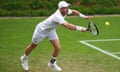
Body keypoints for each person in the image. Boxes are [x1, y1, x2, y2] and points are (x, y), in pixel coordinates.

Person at [20, 1, 93, 72]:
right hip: (41, 30)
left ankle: (52, 63)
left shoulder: (65, 11)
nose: (67, 9)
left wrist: (84, 16)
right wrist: (80, 28)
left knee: (57, 48)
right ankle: (24, 58)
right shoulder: (57, 16)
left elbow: (74, 12)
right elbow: (67, 26)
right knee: (33, 46)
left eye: (67, 7)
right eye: (65, 8)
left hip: (51, 30)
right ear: (60, 9)